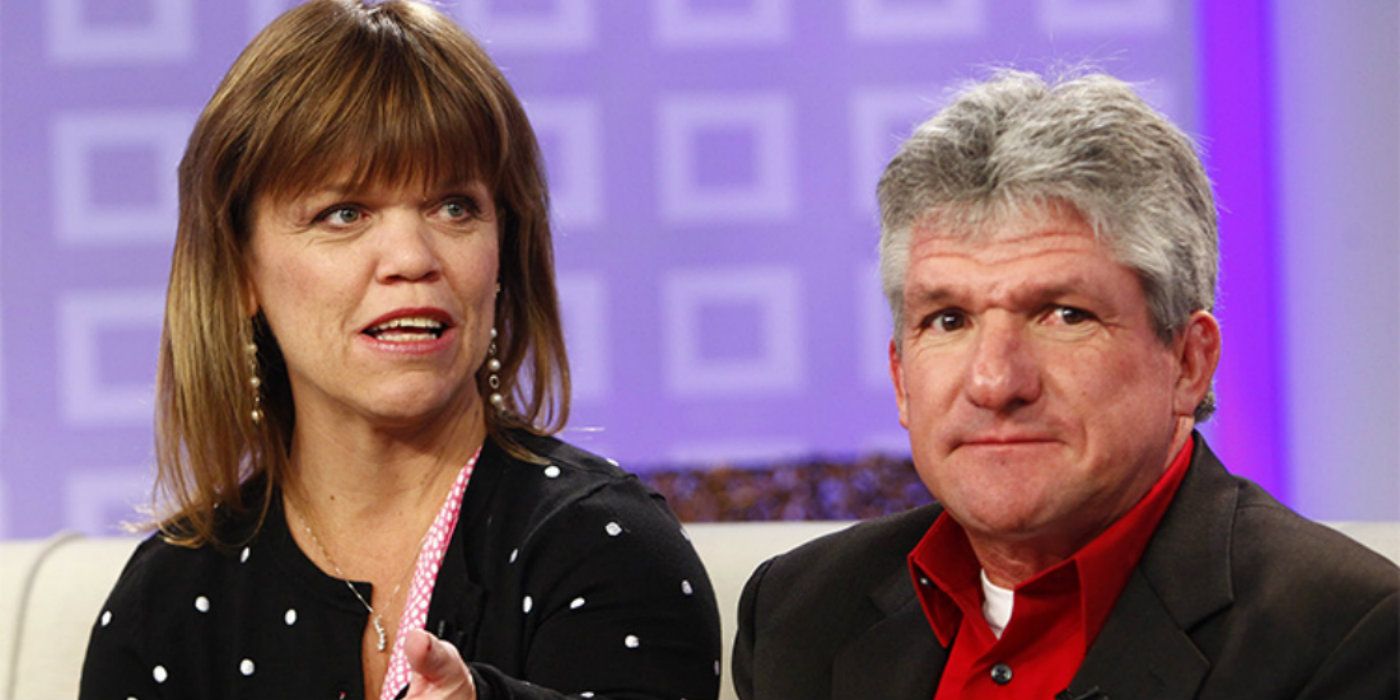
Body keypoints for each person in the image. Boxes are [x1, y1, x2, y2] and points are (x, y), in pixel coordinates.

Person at [79, 2, 721, 699]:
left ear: (504, 252)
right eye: (344, 213)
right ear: (240, 272)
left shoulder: (605, 549)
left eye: (454, 207)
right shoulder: (169, 602)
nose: (412, 258)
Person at [734, 70, 1399, 699]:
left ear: (1188, 364)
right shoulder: (801, 611)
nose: (994, 381)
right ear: (901, 378)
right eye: (948, 319)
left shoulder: (1346, 637)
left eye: (1064, 314)